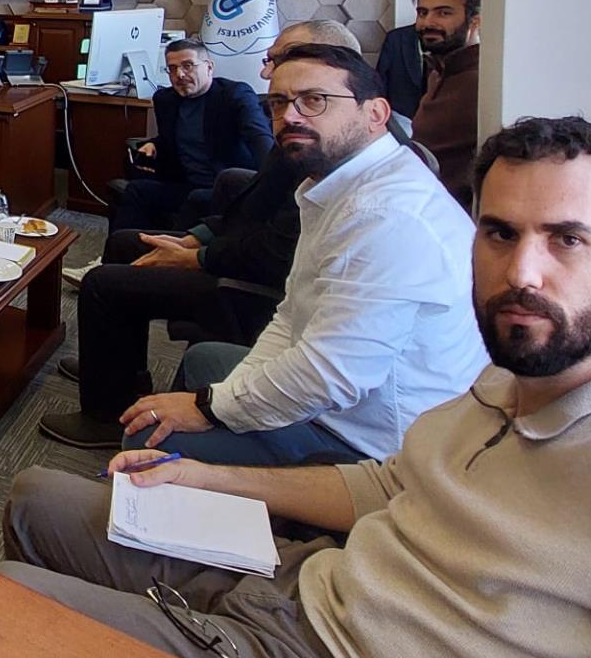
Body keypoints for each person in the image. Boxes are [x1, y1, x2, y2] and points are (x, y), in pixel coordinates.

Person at [0, 115, 591, 658]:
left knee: (3, 608)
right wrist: (207, 478)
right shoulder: (508, 380)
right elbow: (388, 485)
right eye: (500, 234)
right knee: (35, 499)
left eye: (567, 239)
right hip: (308, 583)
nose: (521, 274)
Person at [115, 44, 486, 466]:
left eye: (314, 100)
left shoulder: (386, 215)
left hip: (379, 442)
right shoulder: (335, 184)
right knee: (205, 360)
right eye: (279, 102)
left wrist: (208, 409)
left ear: (375, 113)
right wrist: (217, 403)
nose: (290, 116)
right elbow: (292, 314)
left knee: (145, 442)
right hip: (344, 402)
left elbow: (332, 377)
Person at [39, 22, 359, 450]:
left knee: (102, 285)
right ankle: (119, 373)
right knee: (124, 242)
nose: (267, 72)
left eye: (280, 60)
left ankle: (104, 420)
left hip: (250, 283)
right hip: (235, 247)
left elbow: (273, 250)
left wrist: (197, 257)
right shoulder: (302, 137)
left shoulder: (321, 149)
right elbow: (252, 204)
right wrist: (196, 238)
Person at [112, 36, 272, 233]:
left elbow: (259, 137)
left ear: (209, 67)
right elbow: (173, 138)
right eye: (172, 69)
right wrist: (155, 144)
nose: (179, 74)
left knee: (197, 200)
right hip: (185, 185)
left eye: (187, 66)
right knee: (135, 191)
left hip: (224, 189)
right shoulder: (165, 100)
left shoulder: (234, 95)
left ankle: (170, 249)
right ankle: (122, 249)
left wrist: (272, 182)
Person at [408, 0, 481, 210]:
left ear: (474, 22)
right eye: (422, 13)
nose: (428, 22)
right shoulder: (437, 73)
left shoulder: (482, 81)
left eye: (443, 13)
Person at [373, 21, 424, 123]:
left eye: (443, 14)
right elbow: (380, 83)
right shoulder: (396, 39)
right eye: (424, 13)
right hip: (400, 122)